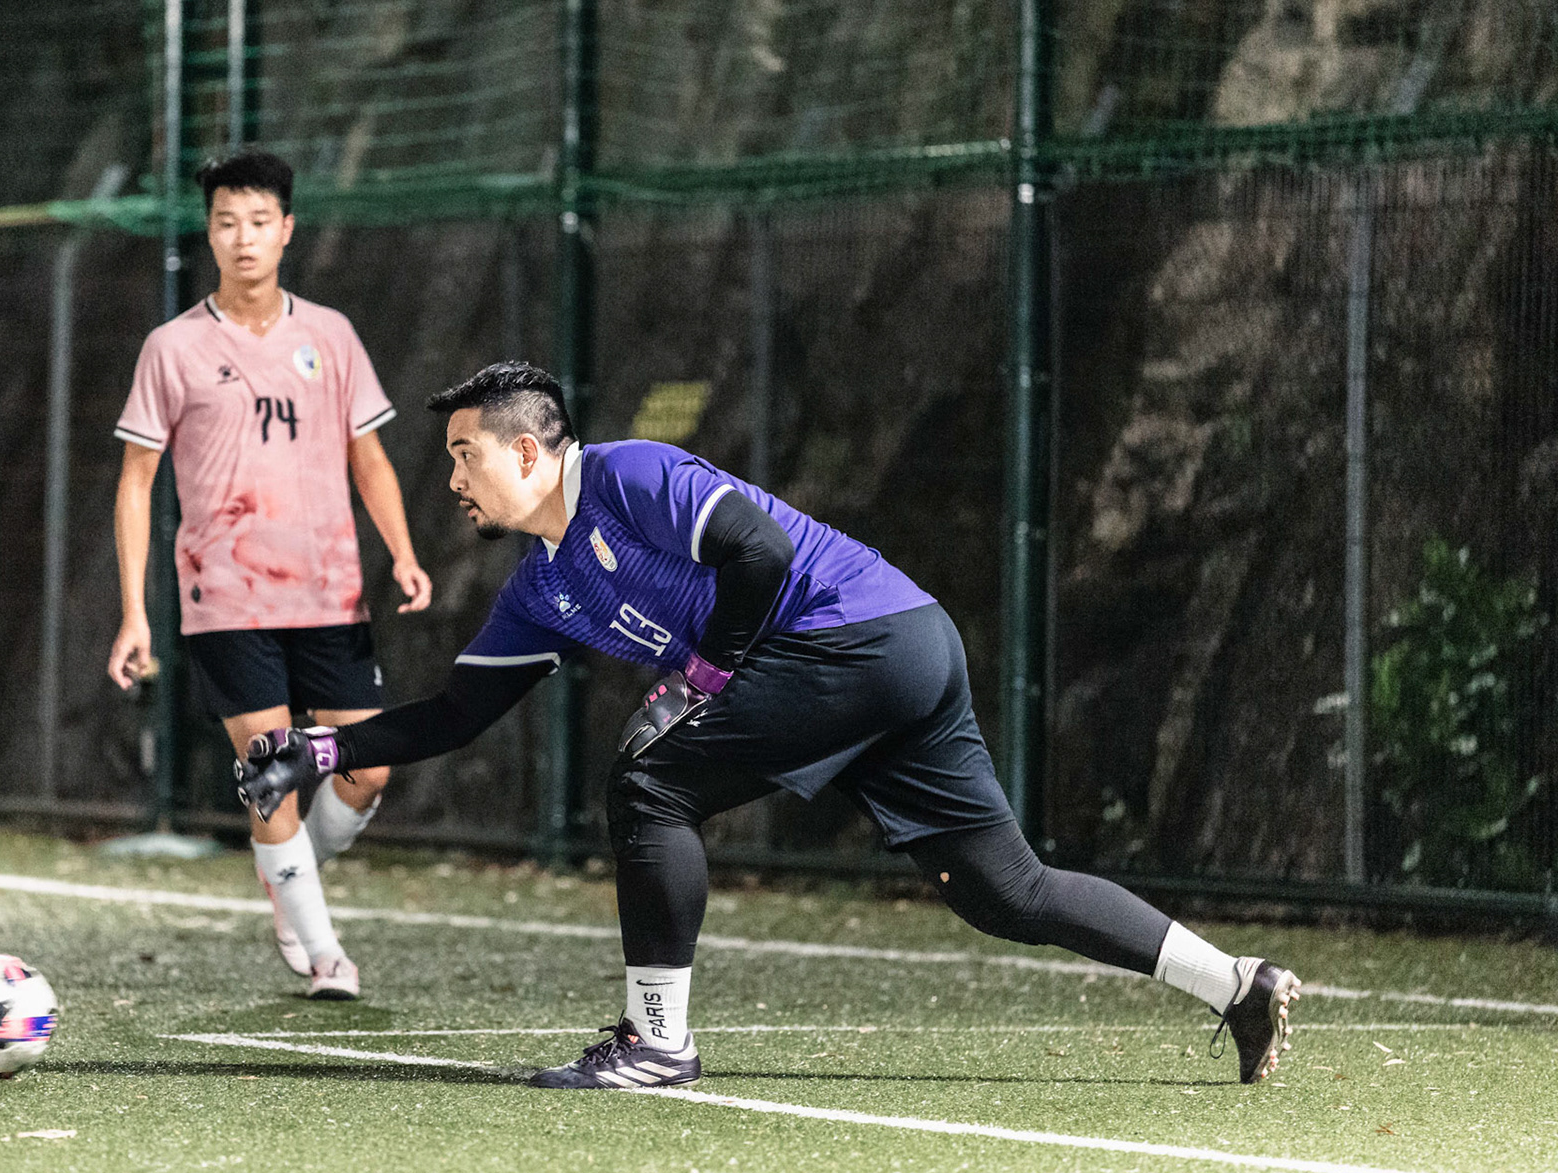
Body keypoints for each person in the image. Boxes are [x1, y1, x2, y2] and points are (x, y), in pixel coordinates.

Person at [233, 361, 1299, 1082]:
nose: (453, 477)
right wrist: (318, 748)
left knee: (650, 783)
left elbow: (761, 552)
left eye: (464, 454)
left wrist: (703, 672)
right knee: (1002, 890)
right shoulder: (541, 587)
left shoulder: (627, 472)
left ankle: (656, 1045)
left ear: (526, 452)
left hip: (864, 639)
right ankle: (1236, 985)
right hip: (896, 652)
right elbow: (458, 712)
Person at [107, 149, 432, 1000]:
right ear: (208, 233)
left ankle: (291, 879)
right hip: (226, 599)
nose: (243, 238)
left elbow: (370, 458)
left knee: (369, 767)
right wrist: (135, 613)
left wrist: (402, 551)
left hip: (330, 590)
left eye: (258, 221)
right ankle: (325, 952)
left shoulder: (331, 336)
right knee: (273, 768)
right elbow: (137, 482)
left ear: (287, 230)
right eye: (226, 222)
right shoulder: (172, 348)